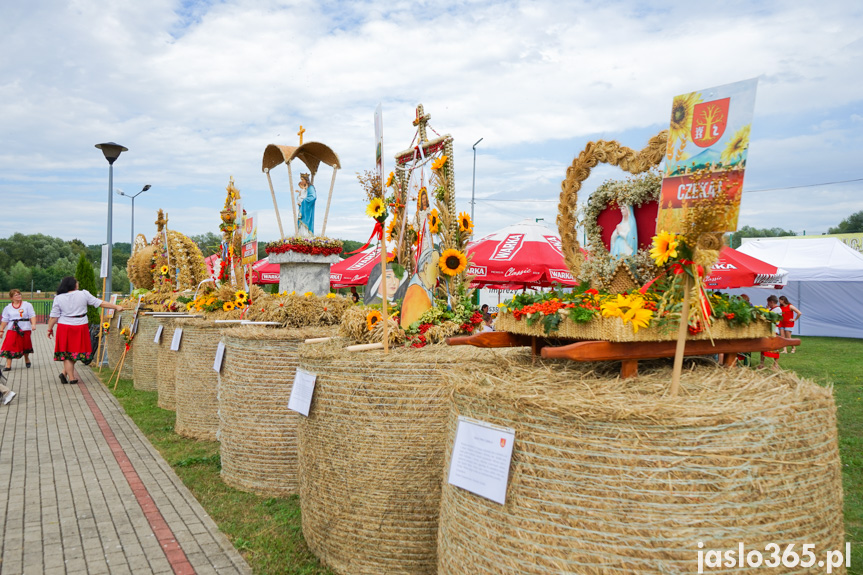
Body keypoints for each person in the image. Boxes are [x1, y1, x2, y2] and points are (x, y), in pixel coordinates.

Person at [46, 276, 123, 384]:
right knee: (75, 351)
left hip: (64, 326)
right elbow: (99, 303)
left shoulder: (59, 298)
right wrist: (115, 306)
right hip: (80, 325)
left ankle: (64, 373)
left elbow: (54, 317)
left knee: (68, 352)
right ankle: (72, 378)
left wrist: (49, 329)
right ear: (74, 285)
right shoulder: (83, 294)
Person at [1, 289, 37, 371]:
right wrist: (1, 330)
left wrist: (33, 324)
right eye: (16, 295)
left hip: (25, 328)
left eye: (19, 294)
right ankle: (8, 365)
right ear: (11, 298)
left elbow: (32, 315)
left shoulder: (27, 305)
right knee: (9, 345)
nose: (18, 296)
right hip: (12, 328)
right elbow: (5, 320)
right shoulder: (8, 307)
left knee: (25, 345)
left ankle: (26, 358)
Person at [758, 295, 782, 371]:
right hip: (768, 330)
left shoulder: (777, 309)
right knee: (763, 347)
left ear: (771, 302)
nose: (768, 304)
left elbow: (769, 318)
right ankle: (762, 363)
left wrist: (767, 310)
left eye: (768, 302)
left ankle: (775, 364)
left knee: (775, 348)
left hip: (774, 330)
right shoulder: (772, 309)